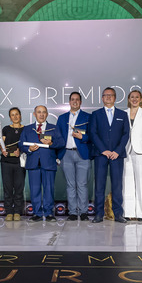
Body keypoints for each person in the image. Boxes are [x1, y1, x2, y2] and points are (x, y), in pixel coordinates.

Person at [89, 87, 130, 223]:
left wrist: (117, 151)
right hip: (101, 155)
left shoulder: (123, 114)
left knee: (117, 185)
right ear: (102, 98)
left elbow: (126, 134)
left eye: (111, 95)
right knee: (99, 185)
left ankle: (118, 214)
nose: (108, 97)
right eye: (106, 95)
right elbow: (93, 133)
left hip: (117, 155)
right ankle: (99, 214)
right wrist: (103, 150)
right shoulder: (96, 114)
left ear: (115, 98)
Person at [18, 105, 65, 222]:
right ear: (34, 114)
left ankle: (49, 213)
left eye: (44, 112)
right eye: (39, 112)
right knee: (35, 190)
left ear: (47, 114)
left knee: (49, 189)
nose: (41, 114)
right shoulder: (27, 129)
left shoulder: (53, 128)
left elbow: (61, 143)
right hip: (33, 163)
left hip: (49, 163)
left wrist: (51, 143)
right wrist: (29, 149)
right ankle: (37, 213)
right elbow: (21, 144)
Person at [57, 92, 91, 221]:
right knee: (70, 185)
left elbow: (93, 135)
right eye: (72, 99)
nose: (75, 101)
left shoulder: (88, 117)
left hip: (82, 154)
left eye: (77, 99)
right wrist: (57, 155)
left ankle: (83, 212)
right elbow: (58, 137)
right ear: (69, 102)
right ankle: (72, 212)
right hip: (66, 154)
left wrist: (83, 137)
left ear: (80, 102)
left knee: (82, 184)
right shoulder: (62, 118)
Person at [123, 90, 142, 221]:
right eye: (132, 97)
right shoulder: (124, 113)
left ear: (141, 99)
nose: (134, 99)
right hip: (126, 150)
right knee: (127, 182)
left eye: (137, 97)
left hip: (141, 151)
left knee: (141, 182)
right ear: (129, 99)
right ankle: (128, 213)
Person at [1, 107, 26, 221]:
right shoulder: (6, 129)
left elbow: (26, 145)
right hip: (6, 162)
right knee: (8, 188)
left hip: (20, 162)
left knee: (19, 188)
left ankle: (17, 212)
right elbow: (1, 144)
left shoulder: (25, 129)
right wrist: (2, 150)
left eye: (17, 114)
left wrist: (20, 151)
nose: (15, 117)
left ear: (20, 115)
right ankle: (9, 212)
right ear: (10, 117)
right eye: (12, 115)